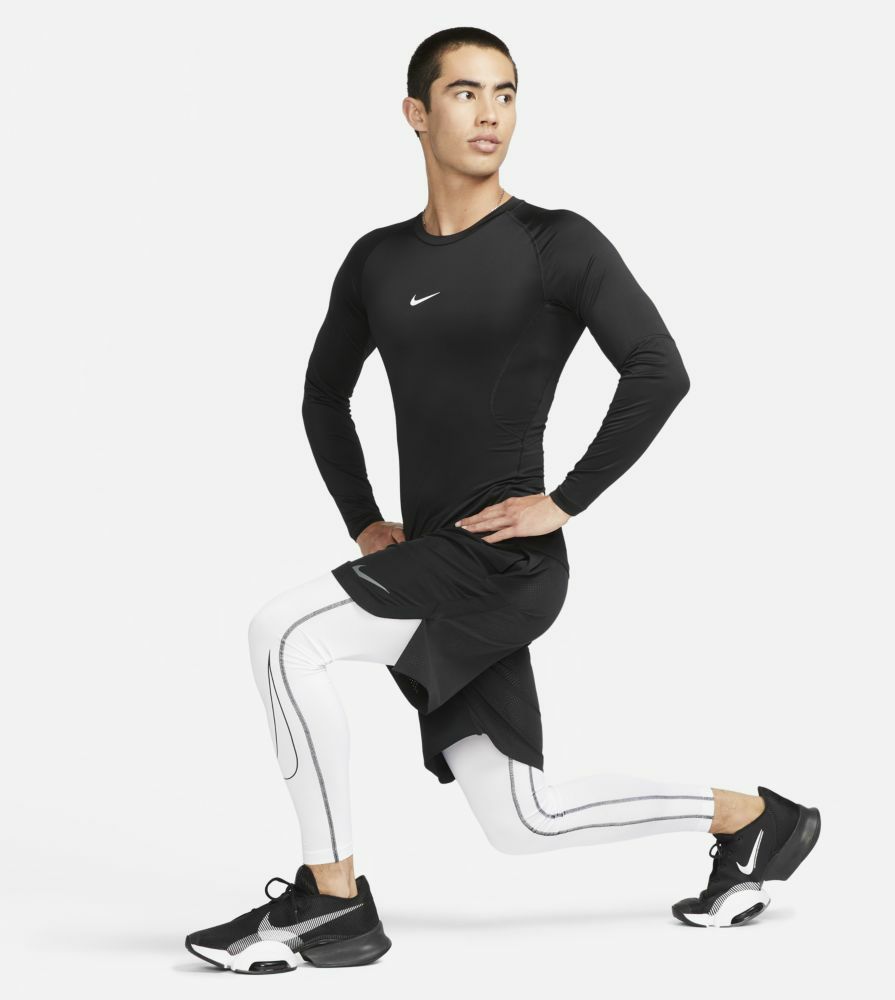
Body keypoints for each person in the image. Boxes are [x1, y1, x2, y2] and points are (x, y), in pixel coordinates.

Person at [185, 26, 821, 974]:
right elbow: (323, 395)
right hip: (432, 556)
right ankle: (756, 820)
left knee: (283, 635)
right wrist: (364, 521)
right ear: (416, 112)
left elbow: (659, 370)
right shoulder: (377, 261)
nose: (490, 114)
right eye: (466, 93)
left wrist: (565, 500)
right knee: (523, 819)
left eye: (507, 93)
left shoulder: (554, 243)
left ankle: (331, 900)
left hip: (501, 561)